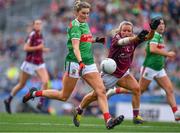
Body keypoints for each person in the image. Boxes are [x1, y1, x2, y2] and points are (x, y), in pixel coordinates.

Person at [22, 0, 124, 129]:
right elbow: (76, 47)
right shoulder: (74, 26)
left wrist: (96, 40)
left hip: (89, 62)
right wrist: (80, 62)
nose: (86, 16)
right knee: (63, 96)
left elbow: (85, 39)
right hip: (75, 63)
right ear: (76, 12)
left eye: (87, 13)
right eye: (83, 13)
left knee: (101, 90)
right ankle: (34, 94)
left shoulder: (85, 24)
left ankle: (108, 120)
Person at [72, 17, 161, 126]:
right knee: (94, 96)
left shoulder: (134, 40)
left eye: (129, 31)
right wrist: (136, 38)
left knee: (137, 89)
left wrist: (152, 29)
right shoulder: (116, 39)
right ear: (120, 31)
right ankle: (79, 110)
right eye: (124, 30)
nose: (126, 33)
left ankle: (136, 116)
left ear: (132, 32)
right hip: (110, 75)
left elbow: (148, 37)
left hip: (123, 74)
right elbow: (123, 41)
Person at [4, 19, 50, 114]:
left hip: (39, 63)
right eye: (37, 24)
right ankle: (8, 99)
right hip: (30, 63)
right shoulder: (32, 34)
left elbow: (39, 48)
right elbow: (25, 48)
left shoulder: (40, 35)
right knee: (22, 84)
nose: (39, 25)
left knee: (45, 81)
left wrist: (44, 49)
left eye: (40, 24)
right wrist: (39, 48)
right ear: (34, 25)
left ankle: (40, 103)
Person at [139, 17, 180, 121]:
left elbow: (148, 48)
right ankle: (115, 91)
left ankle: (176, 113)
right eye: (159, 24)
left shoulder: (159, 36)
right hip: (149, 68)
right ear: (155, 26)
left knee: (169, 90)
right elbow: (152, 49)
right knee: (138, 91)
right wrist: (168, 54)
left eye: (163, 24)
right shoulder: (155, 35)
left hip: (159, 69)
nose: (162, 26)